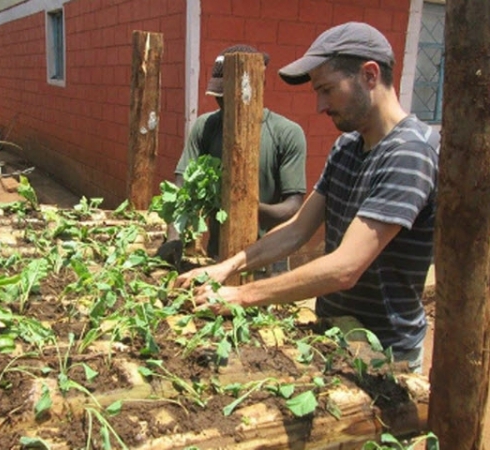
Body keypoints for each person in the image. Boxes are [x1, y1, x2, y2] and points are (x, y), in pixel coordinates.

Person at [175, 22, 440, 374]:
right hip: (335, 335)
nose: (319, 105)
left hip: (383, 353)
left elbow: (345, 267)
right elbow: (298, 228)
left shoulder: (410, 154)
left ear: (370, 75)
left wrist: (240, 296)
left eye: (327, 90)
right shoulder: (348, 146)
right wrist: (228, 267)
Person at [158, 44, 307, 271]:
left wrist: (245, 208)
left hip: (268, 259)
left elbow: (293, 205)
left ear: (260, 86)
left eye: (230, 97)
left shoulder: (286, 133)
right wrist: (174, 237)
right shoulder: (206, 127)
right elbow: (181, 187)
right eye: (219, 96)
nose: (223, 104)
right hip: (220, 255)